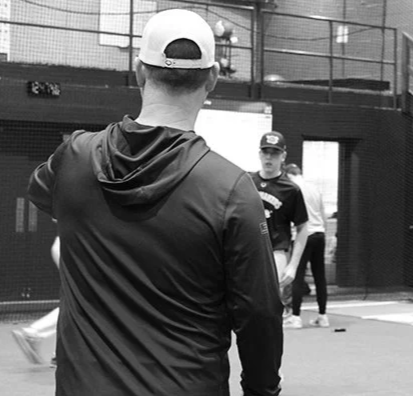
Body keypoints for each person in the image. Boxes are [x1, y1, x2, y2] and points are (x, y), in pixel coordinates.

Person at [27, 9, 283, 396]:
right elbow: (259, 314)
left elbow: (43, 192)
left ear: (139, 71)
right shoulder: (230, 189)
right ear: (213, 78)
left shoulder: (74, 159)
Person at [250, 132, 309, 323]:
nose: (269, 157)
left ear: (283, 156)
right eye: (265, 152)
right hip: (248, 250)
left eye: (274, 153)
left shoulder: (290, 189)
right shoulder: (246, 182)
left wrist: (293, 265)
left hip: (276, 251)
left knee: (270, 305)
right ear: (259, 154)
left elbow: (302, 227)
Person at [284, 163, 329, 329]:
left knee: (298, 274)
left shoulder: (293, 189)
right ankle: (322, 316)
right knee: (320, 276)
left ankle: (295, 317)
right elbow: (323, 215)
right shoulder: (315, 188)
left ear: (289, 175)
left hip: (304, 235)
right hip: (320, 234)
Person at [12, 235, 60, 366]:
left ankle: (59, 354)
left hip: (73, 245)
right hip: (74, 246)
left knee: (84, 303)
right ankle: (33, 333)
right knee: (83, 302)